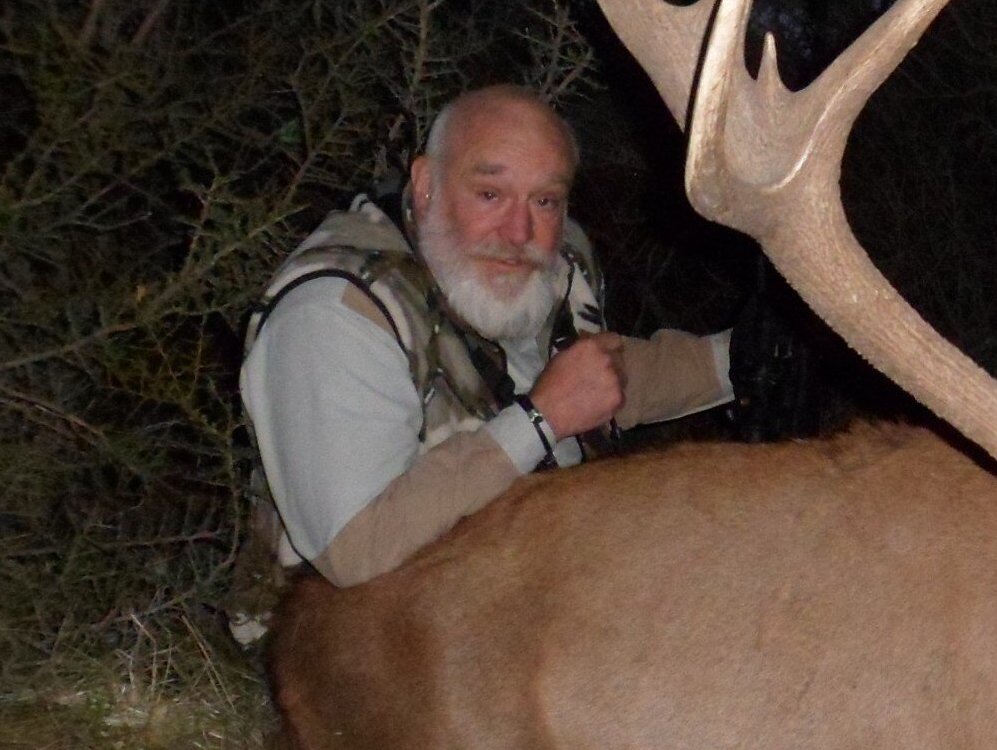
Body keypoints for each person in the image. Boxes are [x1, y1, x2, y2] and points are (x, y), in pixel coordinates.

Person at [240, 85, 733, 588]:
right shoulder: (337, 314)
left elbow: (594, 376)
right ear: (427, 184)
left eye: (545, 200)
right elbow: (359, 551)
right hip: (365, 633)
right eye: (490, 195)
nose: (519, 231)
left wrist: (736, 361)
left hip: (520, 581)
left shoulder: (545, 261)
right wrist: (542, 420)